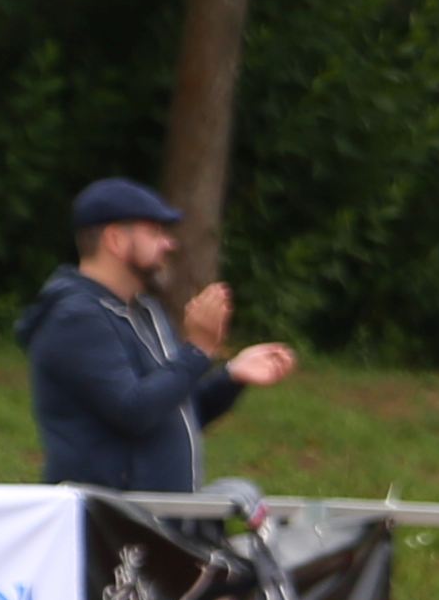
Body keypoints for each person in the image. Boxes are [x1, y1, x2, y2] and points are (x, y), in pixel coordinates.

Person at [20, 179, 296, 489]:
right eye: (154, 233)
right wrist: (198, 350)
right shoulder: (75, 319)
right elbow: (133, 412)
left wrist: (231, 377)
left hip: (157, 513)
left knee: (244, 494)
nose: (169, 244)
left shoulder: (145, 312)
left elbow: (173, 411)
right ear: (115, 240)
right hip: (109, 514)